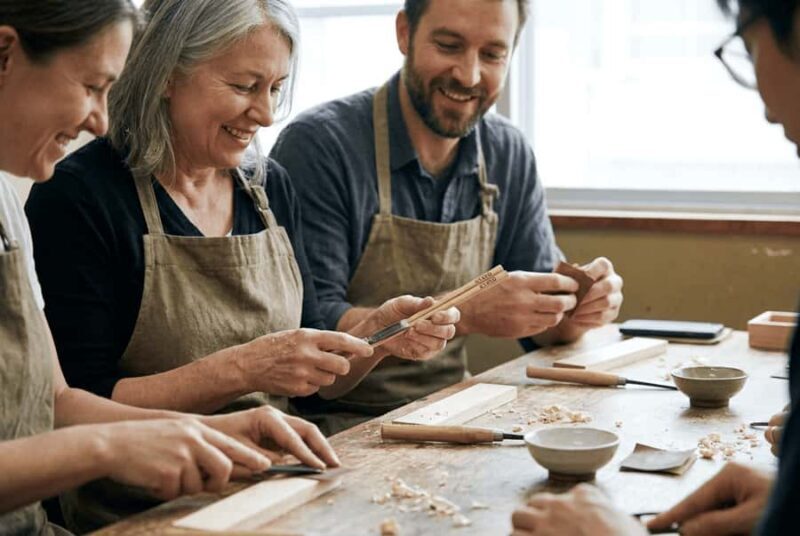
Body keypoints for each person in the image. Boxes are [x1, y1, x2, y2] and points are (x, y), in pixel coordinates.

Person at [24, 0, 459, 531]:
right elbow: (76, 403)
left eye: (275, 88)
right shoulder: (79, 196)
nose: (267, 113)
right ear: (167, 74)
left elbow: (316, 383)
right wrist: (243, 369)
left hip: (275, 485)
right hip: (142, 508)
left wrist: (376, 337)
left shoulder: (269, 187)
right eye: (244, 86)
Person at [0, 1, 344, 535]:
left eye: (275, 88)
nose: (100, 120)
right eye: (91, 87)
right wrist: (114, 446)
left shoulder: (4, 200)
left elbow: (57, 402)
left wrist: (222, 430)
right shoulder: (75, 193)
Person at [270, 0, 625, 435]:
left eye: (492, 54)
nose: (469, 75)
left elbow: (545, 331)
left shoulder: (507, 152)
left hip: (454, 410)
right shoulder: (321, 147)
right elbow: (316, 333)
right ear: (404, 33)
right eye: (449, 45)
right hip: (335, 426)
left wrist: (581, 305)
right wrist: (465, 311)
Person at [511, 0, 800, 534]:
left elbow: (543, 326)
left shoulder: (506, 152)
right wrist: (789, 504)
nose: (765, 110)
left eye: (748, 47)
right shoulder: (341, 141)